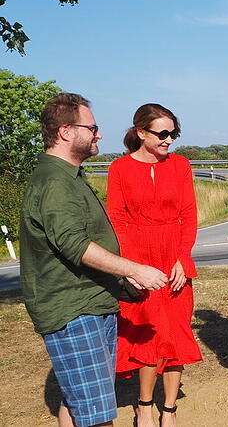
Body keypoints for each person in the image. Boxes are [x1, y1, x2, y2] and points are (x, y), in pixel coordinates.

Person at [19, 93, 168, 427]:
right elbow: (73, 243)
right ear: (67, 132)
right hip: (73, 310)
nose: (99, 134)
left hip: (90, 303)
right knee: (98, 415)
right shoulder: (55, 181)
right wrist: (135, 270)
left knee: (79, 404)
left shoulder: (68, 175)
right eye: (93, 127)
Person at [106, 104, 202, 427]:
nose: (169, 140)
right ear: (140, 133)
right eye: (162, 134)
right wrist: (133, 268)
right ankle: (144, 405)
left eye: (173, 133)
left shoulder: (181, 166)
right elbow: (117, 220)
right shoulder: (119, 169)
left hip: (175, 259)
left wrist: (182, 259)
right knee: (147, 336)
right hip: (140, 260)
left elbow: (188, 216)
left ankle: (169, 409)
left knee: (176, 334)